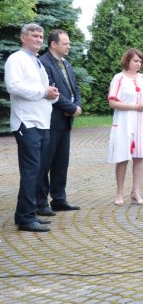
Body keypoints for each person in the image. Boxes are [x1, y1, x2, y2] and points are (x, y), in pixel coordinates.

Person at [5, 23, 59, 232]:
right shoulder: (16, 59)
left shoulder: (37, 62)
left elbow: (44, 91)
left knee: (37, 171)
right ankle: (27, 219)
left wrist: (51, 94)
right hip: (26, 123)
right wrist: (43, 92)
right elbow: (14, 86)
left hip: (42, 122)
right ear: (23, 38)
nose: (39, 39)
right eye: (34, 36)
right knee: (30, 172)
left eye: (41, 36)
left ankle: (25, 214)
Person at [37, 29, 82, 216]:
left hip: (66, 123)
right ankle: (41, 203)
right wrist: (71, 108)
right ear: (53, 44)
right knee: (45, 163)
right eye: (65, 43)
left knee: (61, 163)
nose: (69, 46)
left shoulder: (67, 64)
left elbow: (75, 89)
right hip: (52, 121)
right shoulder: (44, 64)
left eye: (69, 43)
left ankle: (59, 199)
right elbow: (51, 92)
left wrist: (77, 104)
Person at [107, 48, 143, 205]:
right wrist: (133, 107)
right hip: (124, 121)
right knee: (122, 157)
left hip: (141, 121)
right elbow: (112, 102)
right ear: (127, 61)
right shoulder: (118, 78)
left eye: (140, 61)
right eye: (135, 61)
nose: (138, 64)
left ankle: (136, 192)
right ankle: (119, 193)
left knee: (139, 157)